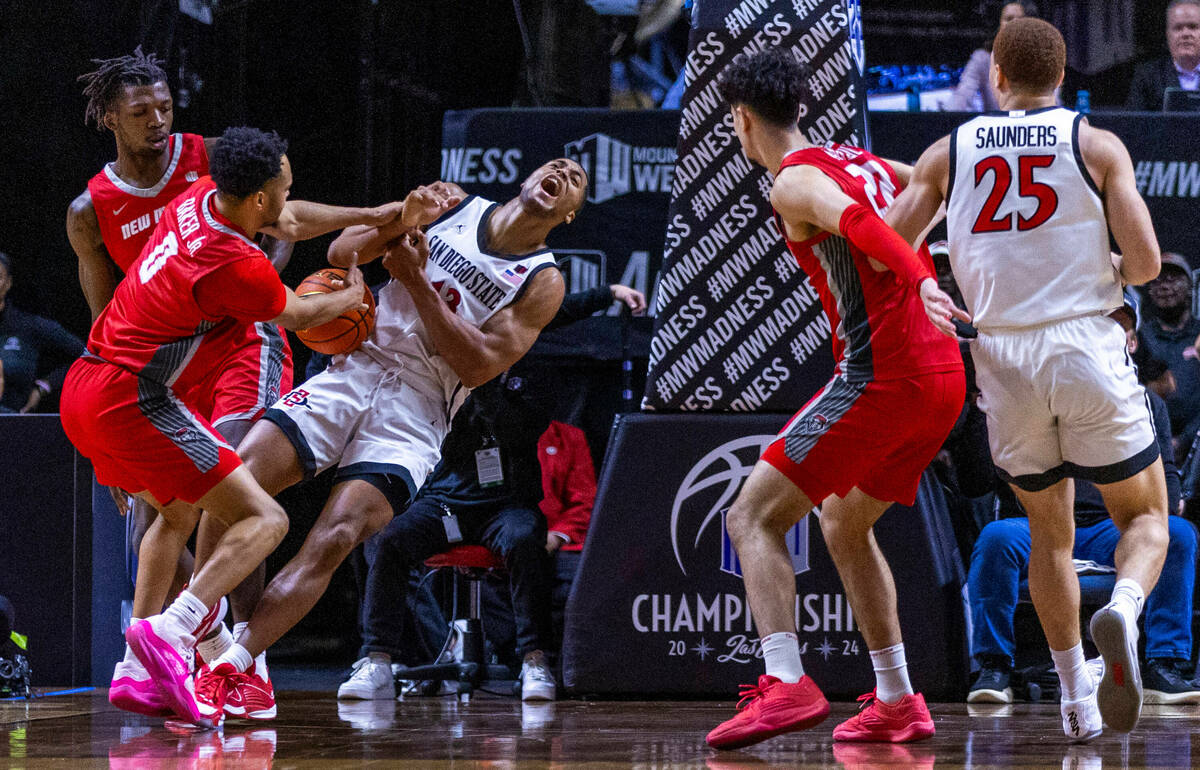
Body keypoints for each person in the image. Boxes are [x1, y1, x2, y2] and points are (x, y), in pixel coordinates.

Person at [192, 159, 587, 720]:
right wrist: (402, 218)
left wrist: (416, 281)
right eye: (556, 165)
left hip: (418, 409)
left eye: (575, 180)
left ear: (569, 214)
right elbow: (341, 253)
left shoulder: (543, 281)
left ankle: (233, 664)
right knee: (234, 486)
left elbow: (477, 366)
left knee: (337, 536)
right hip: (354, 366)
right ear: (524, 181)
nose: (564, 171)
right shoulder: (452, 205)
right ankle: (214, 646)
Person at [886, 17, 1168, 740]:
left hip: (1003, 358)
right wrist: (1104, 264)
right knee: (1144, 518)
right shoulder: (1095, 144)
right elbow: (1145, 268)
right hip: (1084, 346)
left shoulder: (949, 150)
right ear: (1065, 78)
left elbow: (887, 244)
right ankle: (1126, 610)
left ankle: (1076, 695)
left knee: (1048, 535)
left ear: (998, 80)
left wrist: (925, 282)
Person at [60, 126, 392, 727]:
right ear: (261, 198)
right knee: (265, 517)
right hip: (129, 396)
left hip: (85, 385)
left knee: (176, 515)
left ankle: (136, 671)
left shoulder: (201, 197)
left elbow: (289, 223)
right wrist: (353, 298)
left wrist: (372, 212)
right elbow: (298, 313)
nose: (289, 200)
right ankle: (175, 630)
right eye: (284, 189)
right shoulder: (238, 265)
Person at [705, 48, 966, 750]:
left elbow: (857, 225)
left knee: (751, 514)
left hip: (887, 375)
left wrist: (920, 278)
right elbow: (943, 186)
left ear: (742, 120)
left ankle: (786, 682)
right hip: (943, 376)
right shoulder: (862, 157)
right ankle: (897, 700)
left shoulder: (795, 182)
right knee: (844, 524)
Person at [65, 49, 321, 716]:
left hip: (121, 376)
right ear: (109, 120)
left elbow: (281, 216)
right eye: (140, 111)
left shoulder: (199, 173)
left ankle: (148, 665)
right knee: (256, 514)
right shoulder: (92, 210)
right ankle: (187, 641)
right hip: (144, 380)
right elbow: (297, 301)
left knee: (187, 510)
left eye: (165, 108)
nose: (157, 121)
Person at [336, 284, 638, 703]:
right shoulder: (435, 357)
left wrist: (606, 294)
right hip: (448, 503)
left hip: (506, 504)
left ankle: (534, 661)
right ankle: (378, 660)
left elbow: (553, 310)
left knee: (523, 538)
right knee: (389, 536)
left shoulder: (524, 368)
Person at [968, 371, 1199, 705]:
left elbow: (1167, 481)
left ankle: (1163, 665)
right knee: (995, 537)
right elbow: (975, 481)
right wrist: (984, 409)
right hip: (1042, 523)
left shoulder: (1144, 402)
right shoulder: (1035, 399)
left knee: (1177, 533)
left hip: (1114, 529)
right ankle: (994, 667)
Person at [0, 252, 84, 414]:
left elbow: (84, 355)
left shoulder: (28, 325)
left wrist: (44, 386)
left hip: (16, 426)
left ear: (8, 283)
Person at [1138, 253, 1200, 456]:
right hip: (1151, 446)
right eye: (1157, 280)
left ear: (1190, 287)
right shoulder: (1138, 340)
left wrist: (1185, 440)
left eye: (1172, 279)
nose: (1164, 286)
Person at [947, 2, 1038, 112]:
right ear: (999, 25)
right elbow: (962, 95)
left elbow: (1053, 101)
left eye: (1021, 18)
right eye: (1009, 19)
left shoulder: (1040, 57)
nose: (1015, 23)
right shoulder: (982, 58)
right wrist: (947, 120)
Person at [1126, 0, 1200, 111]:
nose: (1185, 34)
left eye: (1193, 27)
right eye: (1178, 28)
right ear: (1167, 35)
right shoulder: (1147, 76)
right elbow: (1133, 125)